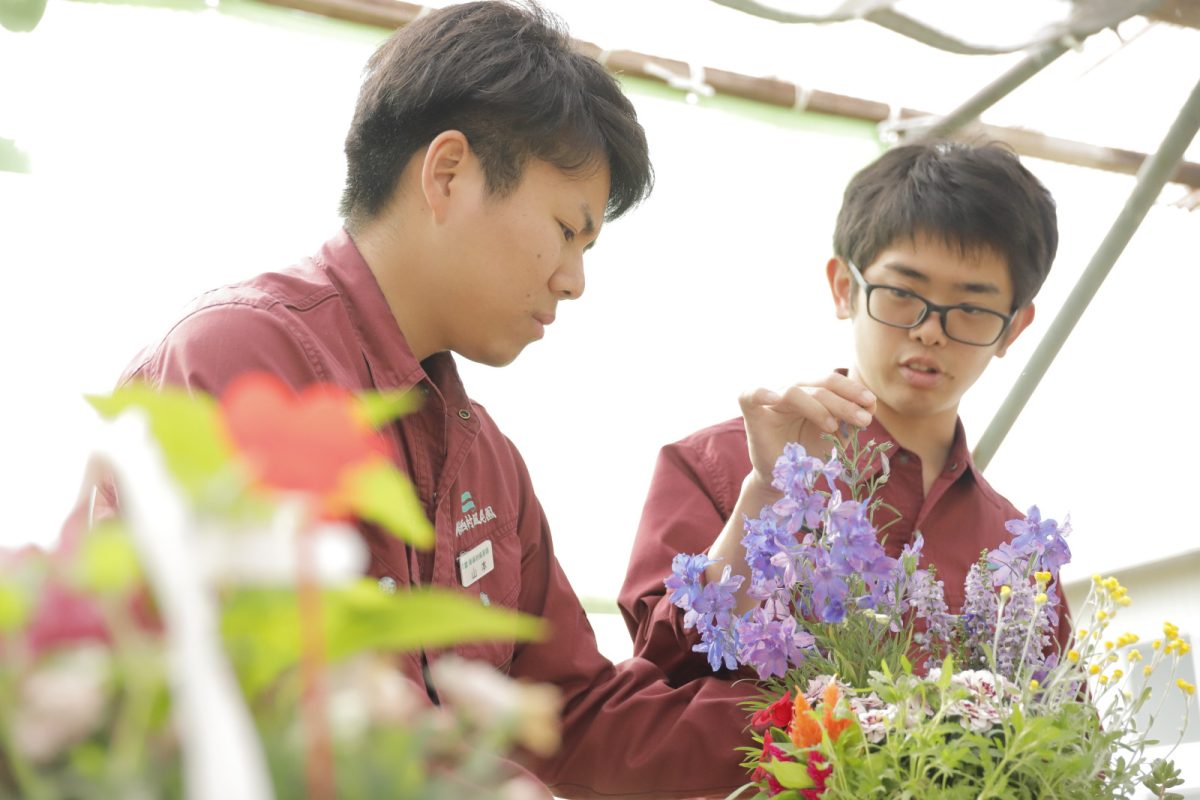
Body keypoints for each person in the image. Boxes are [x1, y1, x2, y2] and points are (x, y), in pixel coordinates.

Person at [88, 2, 755, 797]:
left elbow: (572, 715)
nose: (575, 281)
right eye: (567, 229)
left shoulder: (485, 458)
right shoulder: (246, 359)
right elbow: (308, 705)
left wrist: (834, 736)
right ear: (448, 173)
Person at [619, 141, 1071, 685]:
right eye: (903, 292)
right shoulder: (715, 465)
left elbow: (1064, 740)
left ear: (1014, 328)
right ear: (843, 288)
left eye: (972, 308)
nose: (930, 330)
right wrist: (764, 494)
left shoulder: (1020, 549)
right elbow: (659, 667)